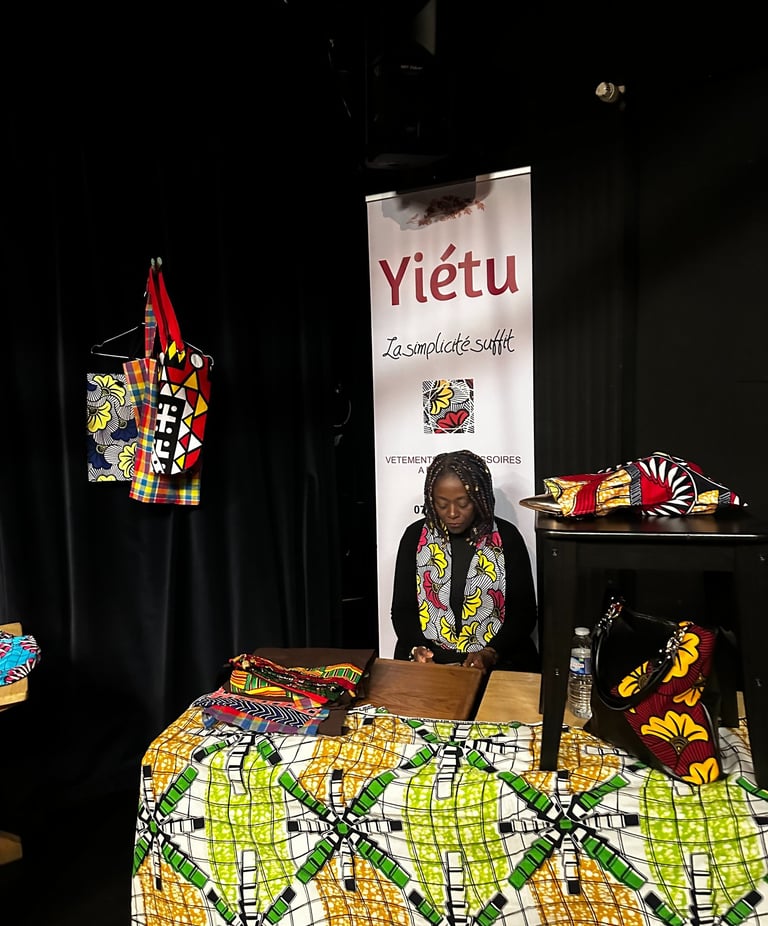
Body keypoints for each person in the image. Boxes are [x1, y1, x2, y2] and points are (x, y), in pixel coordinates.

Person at [391, 450, 539, 674]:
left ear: (479, 499)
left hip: (496, 663)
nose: (452, 513)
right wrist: (417, 649)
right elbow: (403, 610)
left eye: (463, 503)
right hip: (432, 665)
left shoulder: (507, 537)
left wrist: (490, 652)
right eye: (442, 504)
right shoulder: (415, 537)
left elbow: (524, 614)